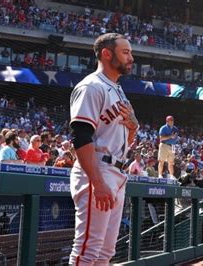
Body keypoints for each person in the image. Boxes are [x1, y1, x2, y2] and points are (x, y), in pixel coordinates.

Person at [68, 33, 139, 264]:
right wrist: (97, 182)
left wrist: (133, 128)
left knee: (106, 252)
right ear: (107, 54)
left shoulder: (118, 89)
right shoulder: (91, 86)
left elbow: (123, 140)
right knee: (88, 248)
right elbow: (80, 135)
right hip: (97, 169)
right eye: (125, 52)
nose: (131, 58)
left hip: (117, 171)